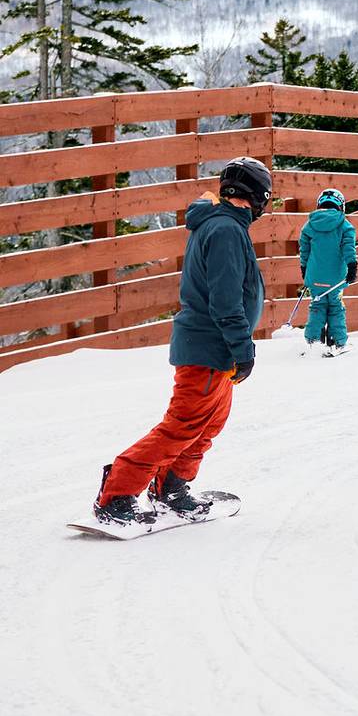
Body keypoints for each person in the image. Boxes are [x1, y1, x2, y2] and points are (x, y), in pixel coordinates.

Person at [93, 157, 270, 526]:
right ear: (257, 195)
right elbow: (225, 300)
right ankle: (118, 492)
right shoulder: (224, 230)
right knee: (183, 426)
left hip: (216, 351)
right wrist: (243, 349)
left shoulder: (223, 225)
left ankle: (171, 485)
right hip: (208, 347)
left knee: (207, 425)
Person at [298, 187, 358, 355]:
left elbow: (304, 251)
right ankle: (338, 342)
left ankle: (313, 341)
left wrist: (304, 270)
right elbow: (348, 249)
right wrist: (352, 267)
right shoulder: (345, 225)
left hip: (315, 276)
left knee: (317, 305)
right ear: (341, 206)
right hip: (336, 278)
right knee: (336, 307)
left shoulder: (310, 225)